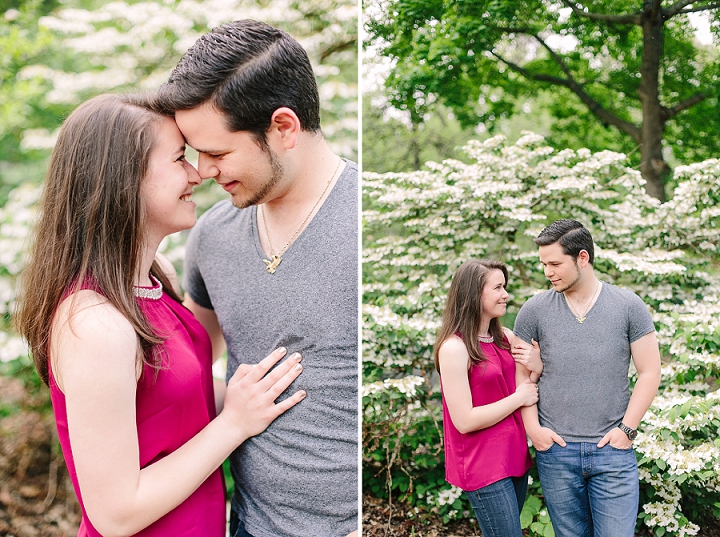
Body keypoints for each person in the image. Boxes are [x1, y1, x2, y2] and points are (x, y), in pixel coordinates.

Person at [14, 93, 307, 537]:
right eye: (178, 160)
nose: (197, 174)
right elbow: (116, 513)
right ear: (123, 180)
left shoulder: (156, 279)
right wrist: (233, 424)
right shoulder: (95, 323)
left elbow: (173, 405)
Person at [154, 20, 358, 537]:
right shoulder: (211, 236)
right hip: (247, 524)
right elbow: (189, 368)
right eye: (195, 152)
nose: (201, 171)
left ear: (283, 127)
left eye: (218, 153)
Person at [513, 219, 661, 537]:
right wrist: (534, 431)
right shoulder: (533, 310)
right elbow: (522, 377)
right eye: (543, 264)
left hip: (613, 450)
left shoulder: (629, 306)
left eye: (555, 263)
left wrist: (627, 431)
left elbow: (650, 371)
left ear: (582, 258)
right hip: (557, 451)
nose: (547, 272)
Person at [433, 259, 543, 537]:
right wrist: (518, 398)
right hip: (481, 463)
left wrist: (537, 368)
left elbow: (527, 388)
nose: (505, 294)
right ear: (474, 294)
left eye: (504, 287)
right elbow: (464, 421)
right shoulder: (454, 348)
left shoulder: (505, 337)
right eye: (497, 288)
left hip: (514, 455)